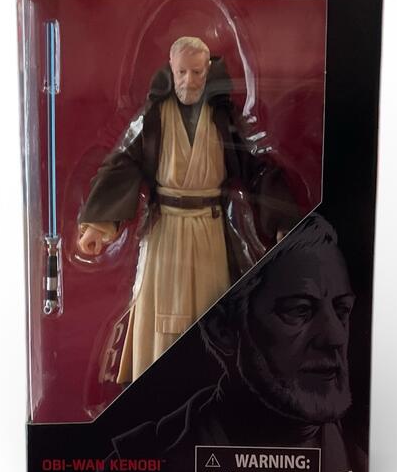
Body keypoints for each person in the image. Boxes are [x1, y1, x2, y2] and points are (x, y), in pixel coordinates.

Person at [81, 215, 367, 472]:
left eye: (342, 310)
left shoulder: (365, 460)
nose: (335, 336)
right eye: (299, 311)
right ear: (222, 329)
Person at [77, 36, 298, 384]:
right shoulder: (153, 117)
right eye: (182, 72)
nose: (189, 81)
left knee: (211, 310)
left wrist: (283, 221)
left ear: (208, 70)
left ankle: (210, 387)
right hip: (165, 229)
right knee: (162, 313)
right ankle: (157, 385)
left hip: (210, 228)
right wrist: (98, 224)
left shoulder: (223, 117)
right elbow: (123, 164)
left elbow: (256, 166)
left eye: (196, 72)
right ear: (171, 68)